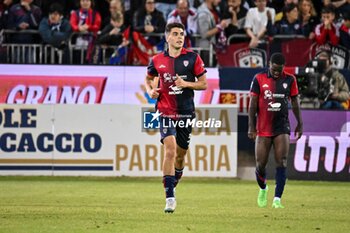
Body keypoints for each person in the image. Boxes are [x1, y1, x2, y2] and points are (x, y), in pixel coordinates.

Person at [145, 22, 207, 213]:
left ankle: (174, 179)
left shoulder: (193, 58)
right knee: (170, 150)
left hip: (186, 112)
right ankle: (170, 198)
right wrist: (150, 91)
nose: (180, 37)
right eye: (175, 34)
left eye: (182, 34)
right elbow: (148, 79)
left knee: (180, 156)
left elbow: (203, 84)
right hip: (165, 111)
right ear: (167, 37)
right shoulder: (157, 60)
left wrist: (186, 84)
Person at [248, 52, 303, 209]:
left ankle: (277, 199)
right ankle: (263, 189)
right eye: (274, 69)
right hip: (263, 128)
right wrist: (251, 126)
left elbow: (295, 101)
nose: (277, 72)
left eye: (280, 69)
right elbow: (252, 104)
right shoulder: (258, 78)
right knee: (260, 164)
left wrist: (300, 123)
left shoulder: (290, 79)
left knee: (282, 161)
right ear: (269, 65)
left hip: (282, 127)